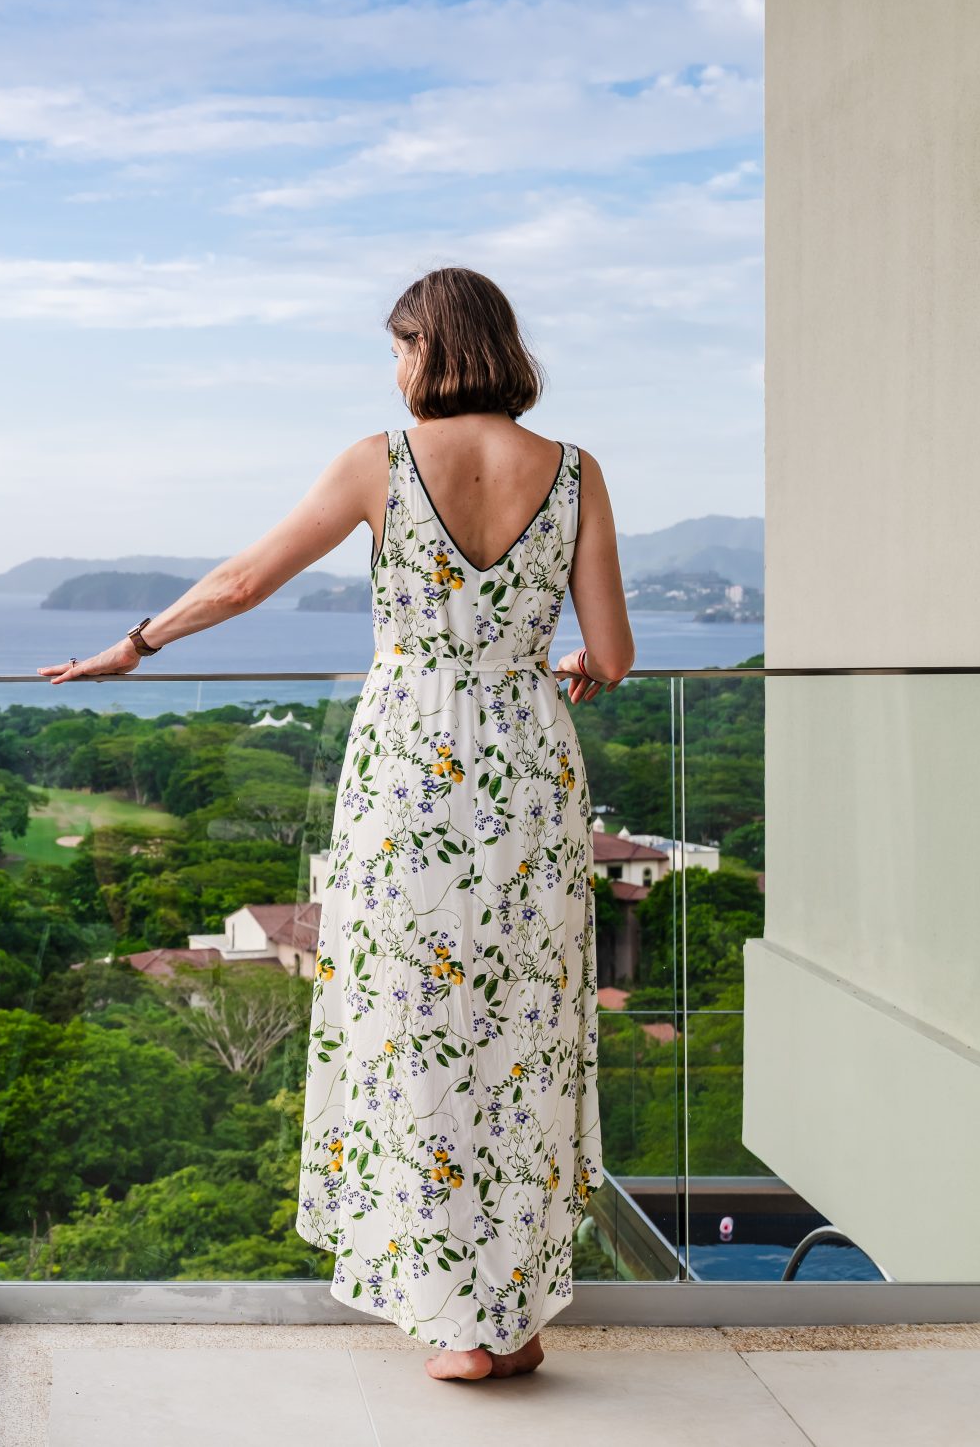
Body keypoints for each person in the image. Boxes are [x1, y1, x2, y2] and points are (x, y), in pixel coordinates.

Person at [41, 266, 629, 1382]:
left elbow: (243, 580)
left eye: (399, 346)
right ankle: (515, 1316)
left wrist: (135, 643)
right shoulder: (574, 471)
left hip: (412, 766)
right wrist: (549, 665)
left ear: (425, 347)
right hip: (530, 770)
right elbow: (609, 655)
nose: (396, 367)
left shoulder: (382, 461)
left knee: (414, 1025)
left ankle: (458, 1318)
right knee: (523, 1030)